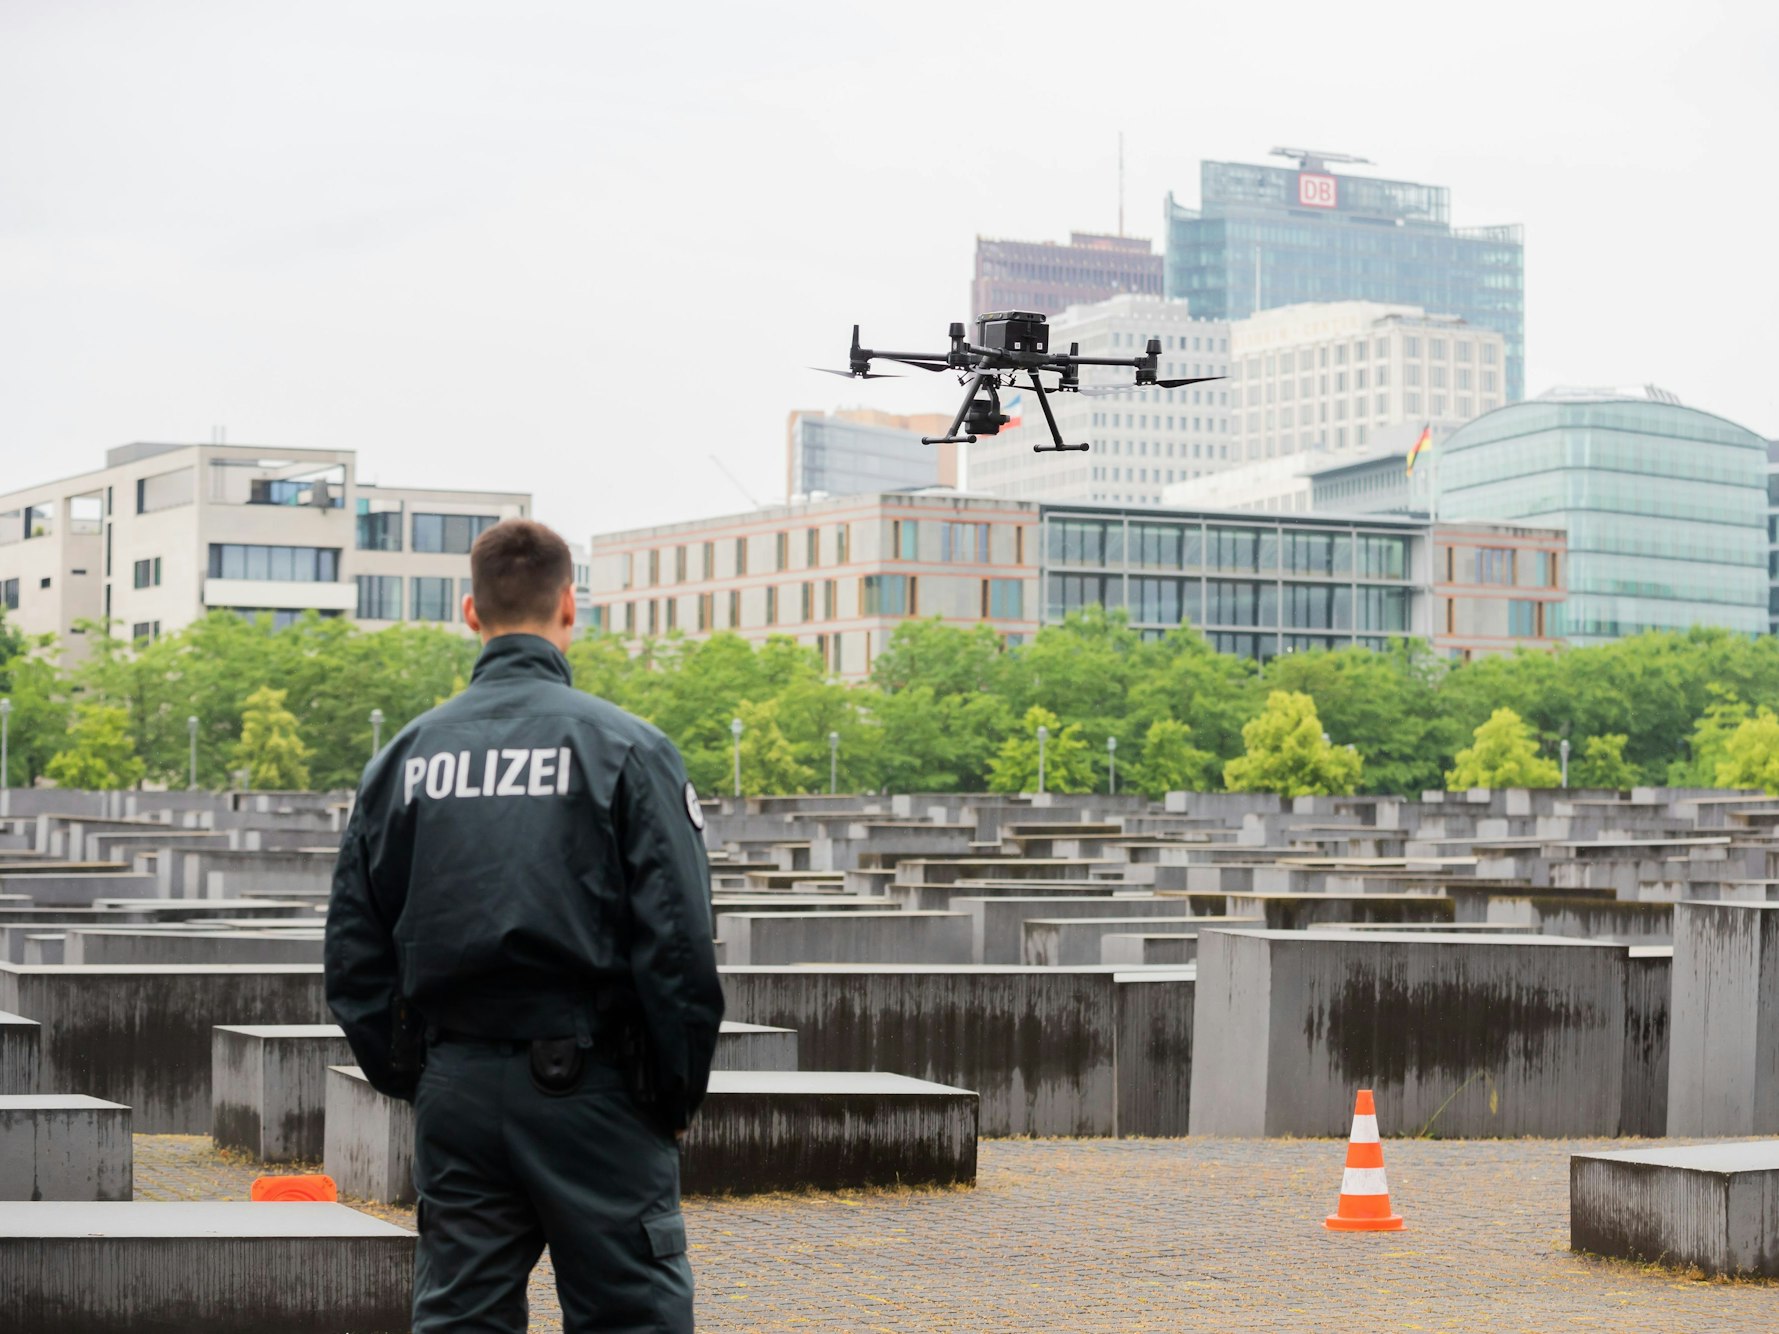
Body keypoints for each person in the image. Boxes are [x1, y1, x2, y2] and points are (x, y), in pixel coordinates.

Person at [324, 518, 724, 1333]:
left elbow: (354, 951)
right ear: (570, 606)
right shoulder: (627, 749)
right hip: (597, 1088)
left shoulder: (402, 757)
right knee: (629, 1316)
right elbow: (678, 946)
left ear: (468, 611)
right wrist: (671, 1092)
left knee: (462, 1316)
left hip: (456, 1087)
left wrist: (417, 1075)